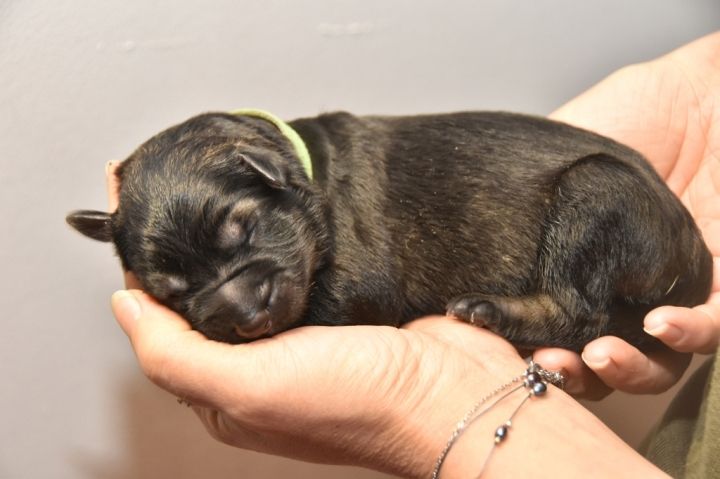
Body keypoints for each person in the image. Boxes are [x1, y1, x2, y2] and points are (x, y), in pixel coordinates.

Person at [107, 32, 719, 478]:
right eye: (180, 290)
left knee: (596, 195)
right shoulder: (292, 178)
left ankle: (563, 311)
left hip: (621, 207)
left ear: (272, 173)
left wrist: (422, 405)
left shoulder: (349, 176)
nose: (243, 307)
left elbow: (366, 292)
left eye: (244, 236)